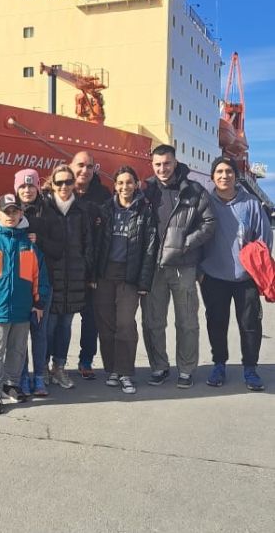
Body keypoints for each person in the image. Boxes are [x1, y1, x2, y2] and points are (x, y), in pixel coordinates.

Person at [141, 144, 216, 389]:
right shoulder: (146, 190)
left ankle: (186, 370)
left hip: (183, 266)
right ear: (152, 165)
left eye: (167, 163)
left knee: (186, 322)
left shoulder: (193, 190)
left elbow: (209, 222)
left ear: (175, 163)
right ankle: (159, 367)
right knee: (153, 321)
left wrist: (185, 244)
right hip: (153, 266)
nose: (162, 168)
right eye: (158, 164)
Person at [0, 194, 50, 415]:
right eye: (6, 212)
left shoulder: (29, 245)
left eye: (15, 211)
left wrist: (39, 302)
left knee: (17, 349)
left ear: (21, 214)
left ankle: (10, 384)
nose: (11, 216)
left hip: (23, 308)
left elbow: (39, 275)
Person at [200, 156, 273, 391]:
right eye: (219, 171)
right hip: (213, 276)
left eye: (228, 171)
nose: (224, 175)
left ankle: (250, 368)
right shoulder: (205, 203)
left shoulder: (251, 203)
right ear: (212, 176)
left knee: (250, 324)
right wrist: (200, 271)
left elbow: (264, 239)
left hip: (246, 278)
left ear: (235, 175)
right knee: (216, 323)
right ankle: (219, 364)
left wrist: (257, 270)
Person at [95, 166, 157, 394]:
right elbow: (96, 244)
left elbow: (150, 248)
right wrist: (93, 275)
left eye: (129, 182)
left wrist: (144, 281)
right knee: (106, 325)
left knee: (125, 324)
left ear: (137, 184)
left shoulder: (145, 211)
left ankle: (126, 372)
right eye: (120, 183)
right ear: (115, 185)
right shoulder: (105, 210)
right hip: (105, 274)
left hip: (129, 275)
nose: (124, 187)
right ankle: (112, 369)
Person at [43, 165, 95, 389]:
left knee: (65, 326)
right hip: (50, 277)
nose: (64, 186)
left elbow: (89, 245)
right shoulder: (44, 208)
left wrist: (89, 273)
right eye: (59, 182)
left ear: (74, 183)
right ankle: (43, 367)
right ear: (52, 184)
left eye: (68, 182)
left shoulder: (81, 210)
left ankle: (60, 367)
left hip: (74, 277)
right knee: (48, 326)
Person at [13, 168, 63, 397]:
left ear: (37, 187)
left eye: (31, 185)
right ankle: (22, 376)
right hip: (18, 285)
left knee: (39, 332)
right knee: (21, 333)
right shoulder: (9, 212)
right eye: (22, 186)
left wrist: (39, 240)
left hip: (43, 282)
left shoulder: (49, 214)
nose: (27, 190)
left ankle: (39, 376)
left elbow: (59, 249)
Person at [70, 151, 109, 379]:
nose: (85, 170)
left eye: (89, 166)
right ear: (71, 165)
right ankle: (56, 362)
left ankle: (86, 360)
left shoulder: (102, 195)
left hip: (91, 268)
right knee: (60, 320)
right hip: (64, 267)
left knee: (91, 317)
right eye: (80, 165)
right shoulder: (61, 192)